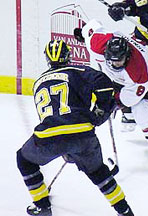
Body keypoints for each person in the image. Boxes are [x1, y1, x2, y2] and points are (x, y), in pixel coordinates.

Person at [16, 39, 134, 216]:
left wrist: (64, 146)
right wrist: (101, 110)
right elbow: (105, 85)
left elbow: (53, 117)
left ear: (47, 59)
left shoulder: (38, 82)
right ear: (68, 56)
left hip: (49, 137)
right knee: (99, 172)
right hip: (83, 136)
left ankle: (41, 206)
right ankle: (124, 211)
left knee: (24, 160)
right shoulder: (79, 70)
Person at [74, 19, 148, 168]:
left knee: (142, 112)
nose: (115, 64)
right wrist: (82, 33)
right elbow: (93, 26)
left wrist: (111, 104)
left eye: (119, 61)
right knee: (128, 112)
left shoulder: (141, 74)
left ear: (126, 55)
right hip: (129, 67)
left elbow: (127, 99)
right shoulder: (97, 43)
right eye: (112, 61)